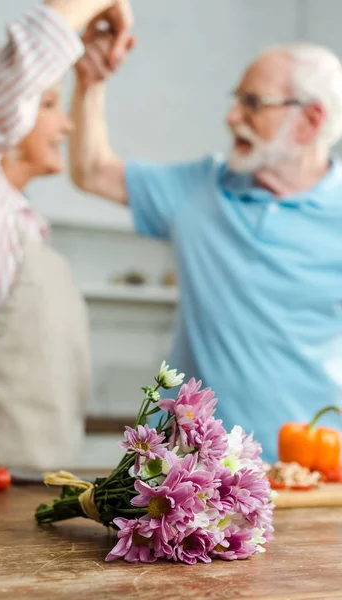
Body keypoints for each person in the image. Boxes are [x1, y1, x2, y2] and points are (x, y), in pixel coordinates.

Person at [70, 31, 342, 462]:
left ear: (310, 121)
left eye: (254, 103)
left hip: (309, 470)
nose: (232, 116)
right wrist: (90, 81)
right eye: (237, 99)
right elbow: (91, 171)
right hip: (185, 468)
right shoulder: (200, 187)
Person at [0, 0, 133, 470]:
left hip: (32, 499)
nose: (65, 125)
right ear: (0, 110)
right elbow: (5, 85)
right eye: (48, 104)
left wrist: (90, 82)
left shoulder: (21, 221)